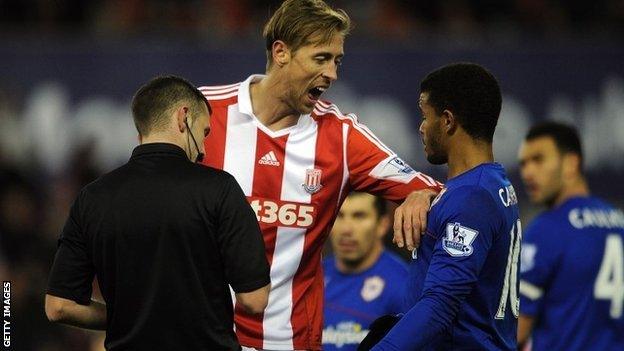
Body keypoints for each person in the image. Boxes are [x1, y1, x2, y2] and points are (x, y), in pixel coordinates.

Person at [198, 1, 442, 349]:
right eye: (321, 58)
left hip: (288, 342)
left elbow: (440, 193)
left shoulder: (340, 138)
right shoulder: (203, 112)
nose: (332, 74)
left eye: (337, 61)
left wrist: (421, 192)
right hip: (199, 335)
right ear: (281, 52)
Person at [45, 76, 271, 350]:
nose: (203, 149)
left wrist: (128, 318)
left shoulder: (92, 199)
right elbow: (255, 299)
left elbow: (58, 307)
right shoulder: (219, 188)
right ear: (183, 117)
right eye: (204, 132)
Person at [367, 63, 521, 350]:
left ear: (447, 120)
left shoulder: (472, 197)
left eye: (425, 115)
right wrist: (428, 194)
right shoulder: (493, 185)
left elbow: (440, 306)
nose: (421, 127)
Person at [517, 122, 624, 350]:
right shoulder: (618, 222)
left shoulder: (547, 229)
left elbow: (515, 332)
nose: (527, 173)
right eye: (524, 163)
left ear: (571, 164)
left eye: (538, 160)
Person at [322, 192, 408, 351]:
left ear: (382, 224)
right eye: (339, 216)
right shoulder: (312, 278)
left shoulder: (403, 286)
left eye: (359, 216)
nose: (346, 229)